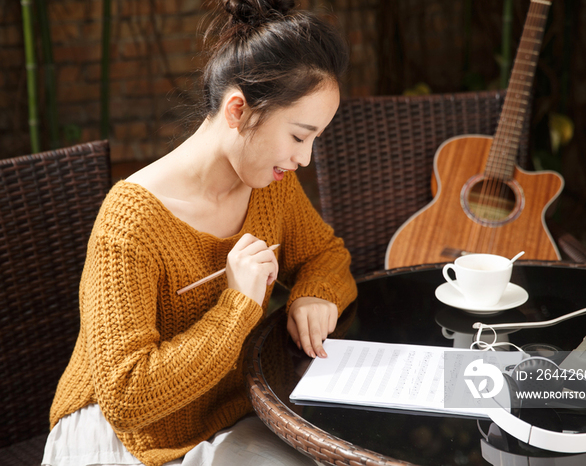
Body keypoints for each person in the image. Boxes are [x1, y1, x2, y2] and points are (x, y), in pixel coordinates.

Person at [42, 0, 357, 464]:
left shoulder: (272, 187)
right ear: (238, 110)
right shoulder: (130, 224)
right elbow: (127, 398)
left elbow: (326, 255)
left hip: (229, 408)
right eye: (297, 136)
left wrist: (316, 293)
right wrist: (238, 306)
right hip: (121, 437)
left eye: (314, 139)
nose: (305, 158)